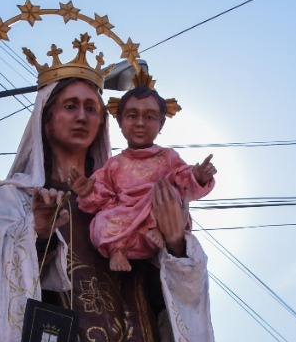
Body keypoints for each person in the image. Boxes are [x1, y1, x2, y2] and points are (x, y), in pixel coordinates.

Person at [0, 68, 226, 342]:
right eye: (70, 106)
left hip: (138, 338)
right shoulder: (15, 197)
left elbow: (179, 277)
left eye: (92, 108)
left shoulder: (124, 193)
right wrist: (35, 234)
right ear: (45, 116)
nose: (82, 117)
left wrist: (176, 241)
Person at [72, 85, 216, 272]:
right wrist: (87, 191)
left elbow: (184, 182)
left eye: (149, 117)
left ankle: (159, 233)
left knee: (167, 193)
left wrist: (199, 176)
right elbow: (103, 194)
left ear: (161, 123)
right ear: (120, 121)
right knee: (102, 220)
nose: (140, 123)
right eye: (132, 116)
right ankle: (117, 249)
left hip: (159, 215)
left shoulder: (168, 157)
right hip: (125, 218)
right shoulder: (114, 164)